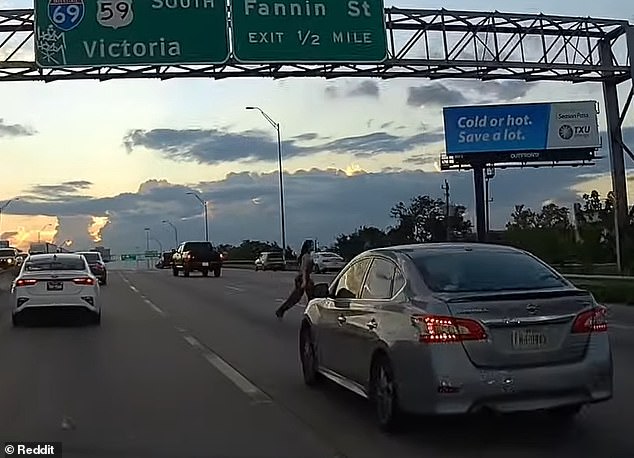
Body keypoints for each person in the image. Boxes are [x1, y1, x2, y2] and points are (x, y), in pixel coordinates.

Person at [275, 240, 315, 319]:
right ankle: (281, 310)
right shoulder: (306, 256)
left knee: (304, 298)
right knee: (298, 298)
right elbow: (304, 269)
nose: (312, 247)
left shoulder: (307, 255)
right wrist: (305, 281)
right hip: (302, 278)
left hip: (305, 278)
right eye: (311, 245)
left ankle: (281, 310)